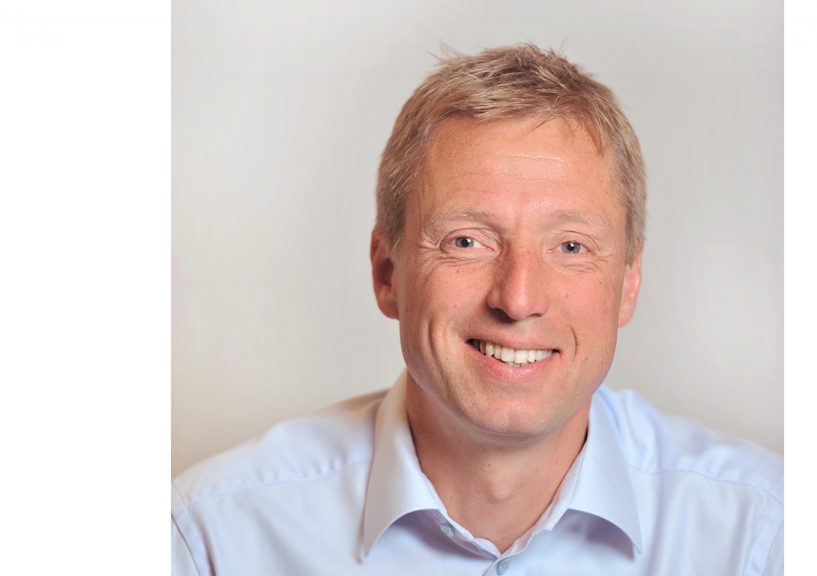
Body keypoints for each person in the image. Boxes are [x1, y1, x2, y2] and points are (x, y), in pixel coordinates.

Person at [171, 44, 783, 575]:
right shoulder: (209, 542)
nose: (518, 299)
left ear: (628, 283)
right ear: (387, 273)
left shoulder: (764, 536)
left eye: (571, 247)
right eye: (467, 241)